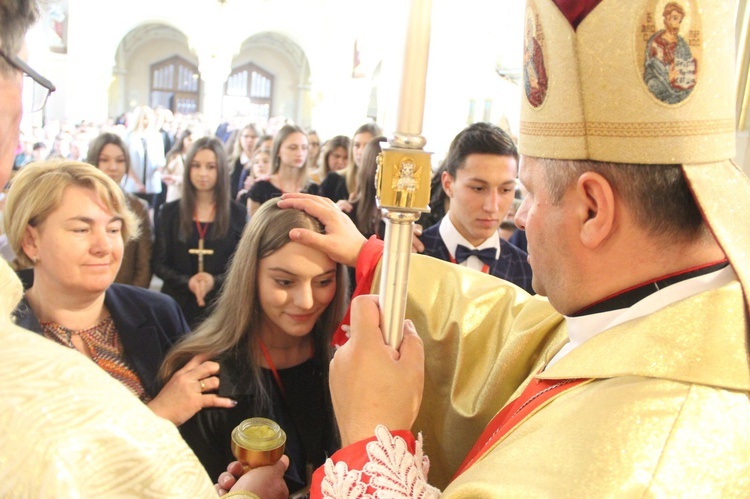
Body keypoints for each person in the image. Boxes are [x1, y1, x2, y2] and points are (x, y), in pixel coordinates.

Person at [270, 0, 750, 496]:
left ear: (592, 209)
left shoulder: (646, 463)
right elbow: (511, 330)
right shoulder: (669, 318)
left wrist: (374, 443)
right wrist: (375, 259)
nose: (516, 216)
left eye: (530, 193)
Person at [0, 3, 287, 496]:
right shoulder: (13, 333)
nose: (104, 246)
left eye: (114, 228)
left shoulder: (156, 313)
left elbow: (200, 436)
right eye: (80, 229)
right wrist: (159, 413)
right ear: (30, 239)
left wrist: (224, 478)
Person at [161, 198, 347, 494]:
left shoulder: (347, 362)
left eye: (323, 281)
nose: (307, 301)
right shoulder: (205, 378)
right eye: (285, 282)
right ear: (251, 275)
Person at [417, 123, 532, 293]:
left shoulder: (526, 271)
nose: (492, 206)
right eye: (478, 188)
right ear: (448, 184)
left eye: (505, 190)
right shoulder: (412, 256)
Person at [153, 136, 246, 328]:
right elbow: (158, 263)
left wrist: (214, 281)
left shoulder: (238, 213)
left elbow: (243, 265)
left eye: (211, 167)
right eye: (196, 165)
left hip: (220, 306)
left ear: (221, 170)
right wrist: (188, 282)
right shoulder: (169, 212)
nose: (203, 173)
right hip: (176, 305)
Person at [86, 132, 153, 288]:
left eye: (120, 160)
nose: (113, 167)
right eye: (104, 160)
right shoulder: (78, 204)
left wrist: (130, 299)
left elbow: (144, 264)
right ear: (93, 161)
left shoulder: (137, 207)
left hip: (126, 293)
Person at [247, 124, 318, 217]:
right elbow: (255, 228)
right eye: (293, 147)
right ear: (278, 151)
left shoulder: (313, 189)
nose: (300, 153)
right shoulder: (260, 188)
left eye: (304, 148)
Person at [643, 1, 697, 104]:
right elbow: (649, 75)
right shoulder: (655, 43)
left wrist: (687, 78)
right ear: (667, 19)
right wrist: (667, 79)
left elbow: (688, 71)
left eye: (679, 20)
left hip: (681, 94)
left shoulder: (683, 45)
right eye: (675, 18)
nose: (677, 23)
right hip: (660, 94)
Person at [319, 123, 380, 205]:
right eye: (357, 145)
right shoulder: (334, 180)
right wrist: (335, 209)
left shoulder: (384, 184)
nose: (360, 152)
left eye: (366, 146)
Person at [124, 104, 165, 209]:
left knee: (150, 213)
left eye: (148, 119)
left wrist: (162, 170)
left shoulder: (156, 136)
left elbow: (160, 159)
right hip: (133, 184)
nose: (146, 122)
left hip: (151, 184)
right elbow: (126, 161)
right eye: (144, 119)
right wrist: (137, 182)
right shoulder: (129, 136)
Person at [228, 123, 260, 200]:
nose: (249, 140)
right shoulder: (231, 163)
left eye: (253, 137)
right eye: (246, 136)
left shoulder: (263, 164)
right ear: (240, 139)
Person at [162, 128, 194, 203]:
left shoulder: (194, 157)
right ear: (183, 139)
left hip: (189, 195)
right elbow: (166, 174)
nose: (191, 142)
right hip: (175, 194)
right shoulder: (174, 156)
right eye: (189, 139)